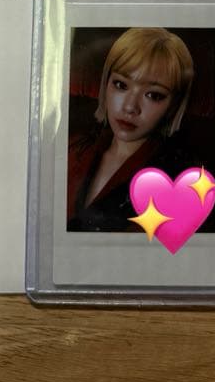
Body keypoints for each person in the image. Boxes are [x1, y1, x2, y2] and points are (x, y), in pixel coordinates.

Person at [67, 27, 204, 232]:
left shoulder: (181, 179)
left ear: (173, 105)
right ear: (106, 83)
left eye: (154, 95)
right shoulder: (74, 148)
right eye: (121, 85)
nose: (130, 107)